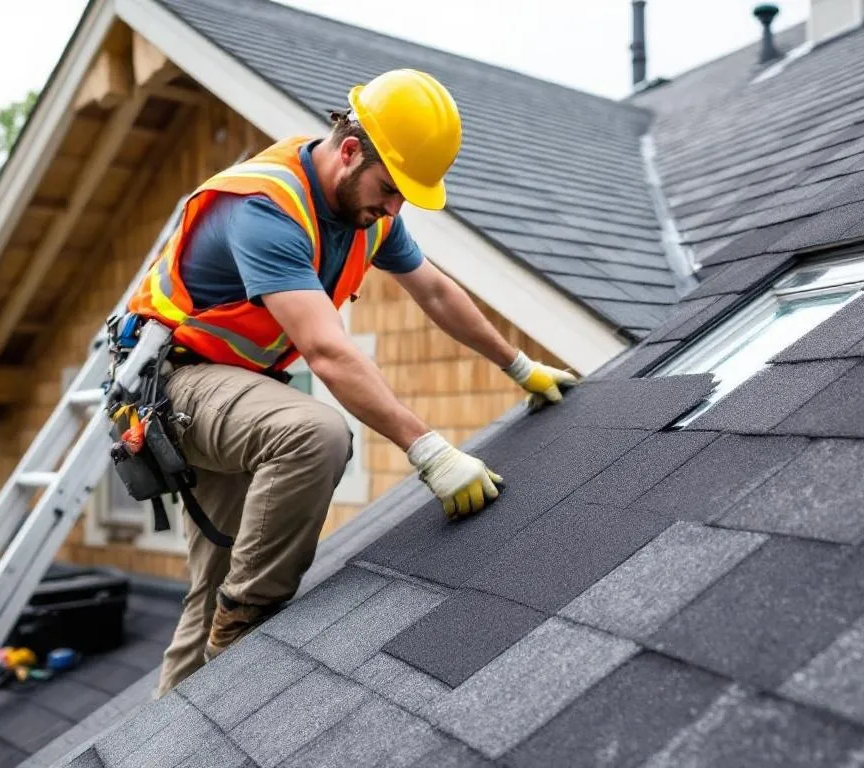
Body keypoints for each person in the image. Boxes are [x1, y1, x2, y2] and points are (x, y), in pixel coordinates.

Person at [125, 69, 578, 697]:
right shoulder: (267, 209)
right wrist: (429, 451)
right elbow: (327, 352)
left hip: (236, 390)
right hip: (175, 389)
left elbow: (437, 292)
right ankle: (246, 631)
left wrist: (519, 366)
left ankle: (166, 737)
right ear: (347, 151)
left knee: (212, 594)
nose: (394, 208)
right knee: (313, 434)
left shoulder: (368, 214)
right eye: (390, 189)